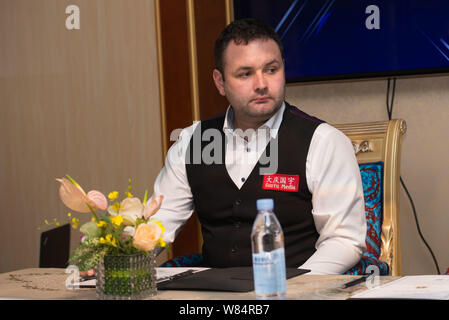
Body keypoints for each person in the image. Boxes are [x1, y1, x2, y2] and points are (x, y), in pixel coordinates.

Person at [150, 18, 366, 274]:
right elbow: (156, 227)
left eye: (271, 70)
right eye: (245, 73)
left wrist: (297, 289)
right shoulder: (191, 142)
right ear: (220, 82)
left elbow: (344, 241)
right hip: (215, 297)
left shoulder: (324, 142)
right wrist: (110, 255)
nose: (262, 84)